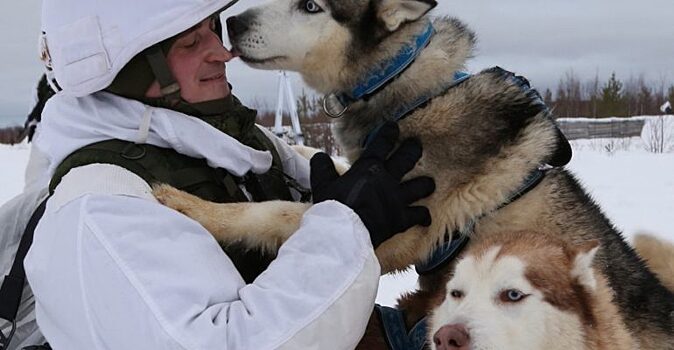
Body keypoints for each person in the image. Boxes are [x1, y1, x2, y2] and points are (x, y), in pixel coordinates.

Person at [22, 0, 435, 349]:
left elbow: (328, 189)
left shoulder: (231, 143)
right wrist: (345, 230)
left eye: (213, 30)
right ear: (129, 69)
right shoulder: (99, 209)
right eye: (190, 41)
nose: (223, 52)